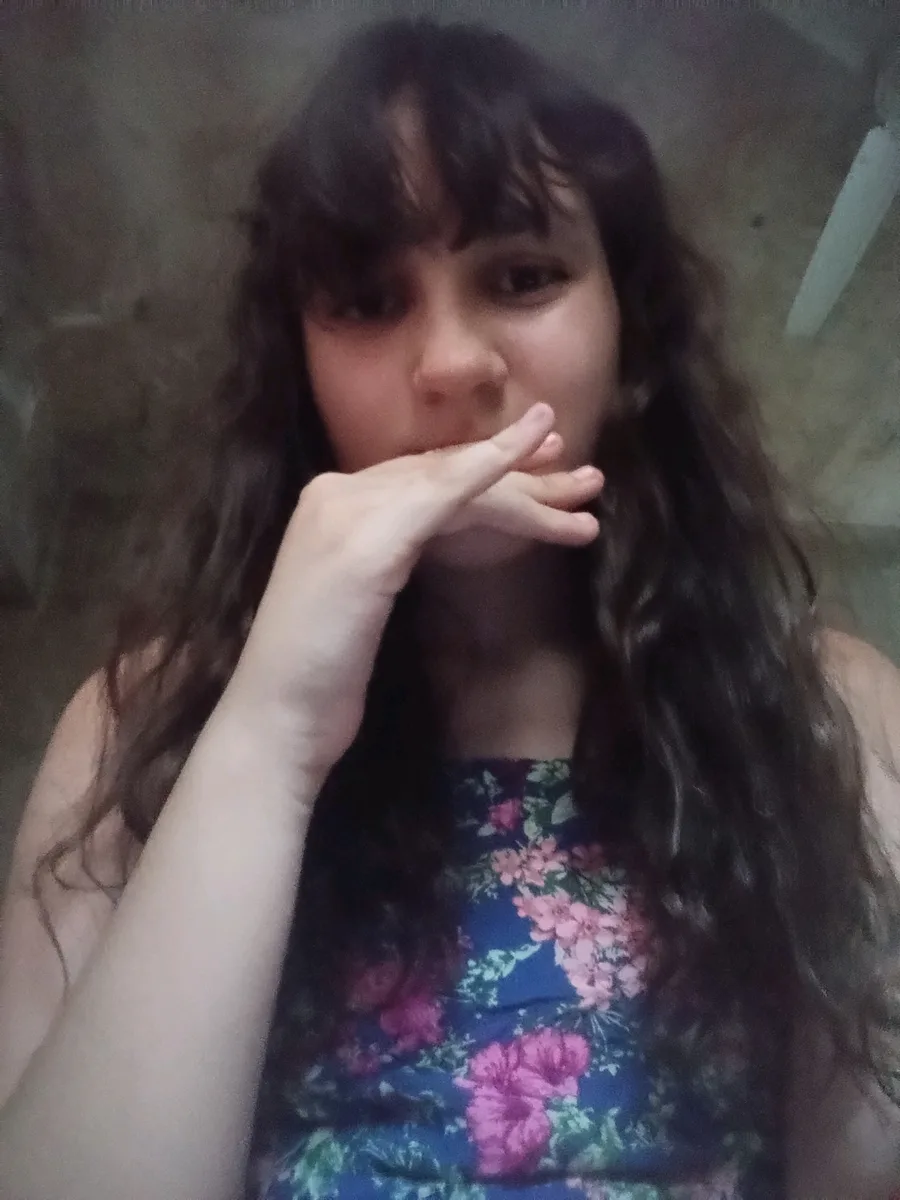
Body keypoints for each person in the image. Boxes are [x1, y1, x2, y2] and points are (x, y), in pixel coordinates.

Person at [0, 15, 898, 1200]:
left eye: (522, 278)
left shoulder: (833, 709)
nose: (451, 365)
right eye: (367, 299)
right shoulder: (133, 728)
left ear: (626, 328)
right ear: (298, 361)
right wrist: (268, 733)